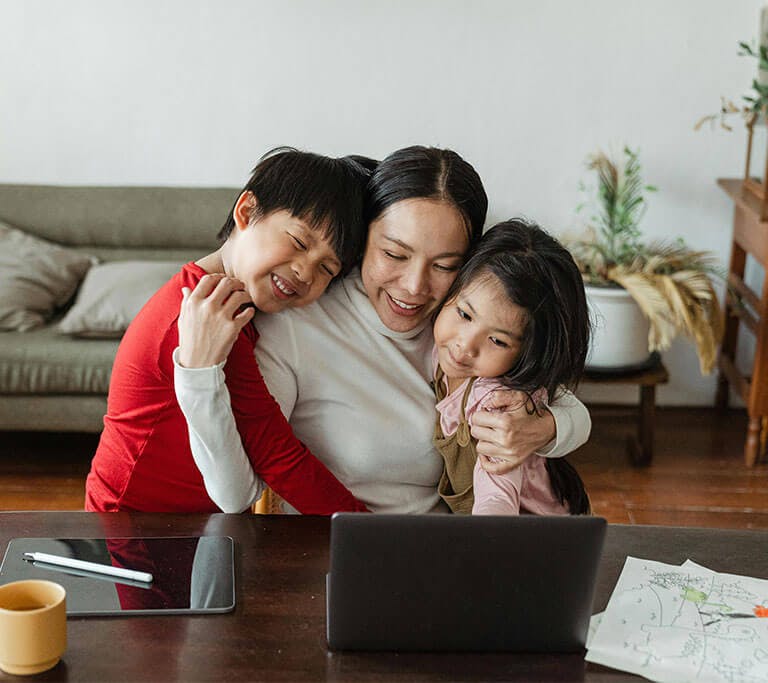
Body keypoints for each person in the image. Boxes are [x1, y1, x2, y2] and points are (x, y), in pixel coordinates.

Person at [174, 146, 592, 514]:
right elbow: (237, 492)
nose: (414, 287)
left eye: (444, 265)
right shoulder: (297, 324)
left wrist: (545, 428)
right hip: (339, 560)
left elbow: (566, 404)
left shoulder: (460, 325)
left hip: (447, 555)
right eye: (394, 254)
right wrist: (197, 375)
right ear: (361, 239)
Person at [84, 148, 370, 513]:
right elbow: (276, 457)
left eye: (327, 269)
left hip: (180, 524)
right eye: (299, 243)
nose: (305, 272)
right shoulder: (206, 315)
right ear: (247, 211)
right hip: (132, 528)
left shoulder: (236, 303)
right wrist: (371, 534)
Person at [431, 218, 591, 515]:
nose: (465, 345)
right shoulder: (438, 355)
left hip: (541, 539)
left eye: (497, 340)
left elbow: (497, 498)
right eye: (465, 314)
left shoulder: (496, 401)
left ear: (527, 353)